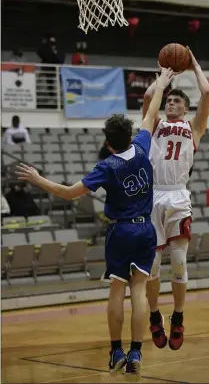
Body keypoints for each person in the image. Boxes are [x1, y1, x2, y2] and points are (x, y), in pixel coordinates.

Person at [15, 67, 175, 379]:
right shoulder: (142, 147)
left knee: (117, 290)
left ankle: (116, 350)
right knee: (140, 292)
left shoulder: (107, 165)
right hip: (145, 229)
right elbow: (152, 112)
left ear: (109, 143)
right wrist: (162, 83)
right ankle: (137, 352)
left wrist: (37, 179)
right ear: (128, 136)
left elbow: (69, 193)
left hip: (120, 230)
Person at [142, 47, 209, 350]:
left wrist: (194, 63)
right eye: (168, 99)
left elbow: (207, 93)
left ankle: (178, 317)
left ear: (185, 108)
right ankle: (155, 316)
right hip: (153, 195)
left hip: (179, 195)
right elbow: (148, 99)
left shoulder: (194, 128)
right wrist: (163, 76)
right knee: (153, 268)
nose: (170, 102)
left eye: (176, 101)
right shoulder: (155, 123)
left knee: (180, 263)